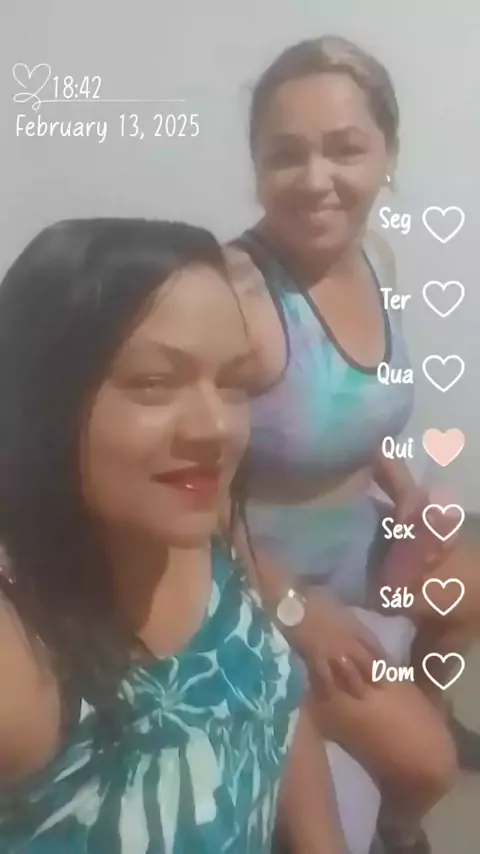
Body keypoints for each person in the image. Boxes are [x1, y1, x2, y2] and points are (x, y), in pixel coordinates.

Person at [0, 218, 346, 853]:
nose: (216, 427)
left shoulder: (200, 528)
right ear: (41, 397)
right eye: (154, 383)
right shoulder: (20, 663)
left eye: (233, 383)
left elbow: (271, 702)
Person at [224, 36, 480, 853]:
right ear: (257, 165)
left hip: (354, 537)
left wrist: (405, 497)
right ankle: (398, 818)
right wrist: (299, 614)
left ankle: (415, 723)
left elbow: (355, 408)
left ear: (388, 154)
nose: (315, 179)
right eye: (285, 155)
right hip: (251, 578)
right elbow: (191, 503)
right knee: (429, 769)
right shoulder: (232, 298)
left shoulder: (375, 254)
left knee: (472, 591)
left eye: (345, 149)